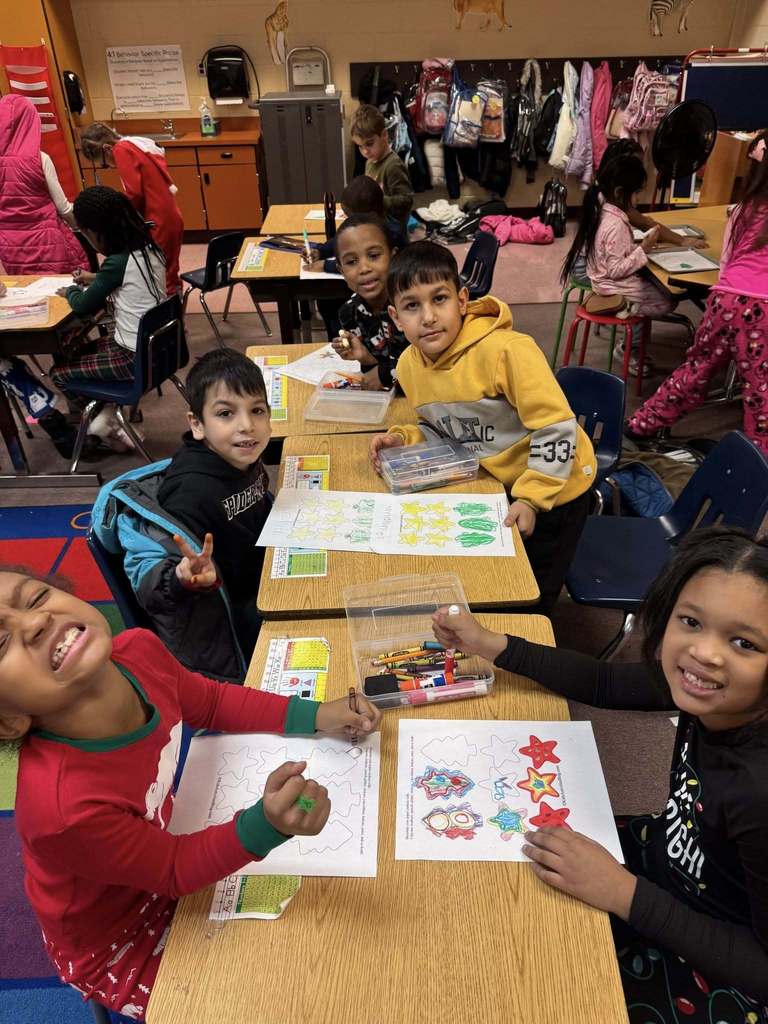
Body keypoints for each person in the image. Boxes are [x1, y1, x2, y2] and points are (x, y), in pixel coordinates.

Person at [1, 564, 381, 1020]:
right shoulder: (62, 810)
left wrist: (316, 714)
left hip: (165, 852)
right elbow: (175, 869)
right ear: (7, 720)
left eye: (36, 598)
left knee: (339, 949)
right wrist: (268, 825)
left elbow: (214, 702)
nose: (36, 621)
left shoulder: (139, 652)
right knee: (284, 992)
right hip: (121, 938)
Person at [431, 525, 768, 1023]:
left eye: (744, 642)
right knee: (504, 888)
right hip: (676, 868)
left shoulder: (757, 790)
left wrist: (622, 892)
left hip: (730, 972)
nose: (705, 652)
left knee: (550, 994)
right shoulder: (711, 692)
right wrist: (491, 643)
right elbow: (605, 681)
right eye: (691, 622)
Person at [370, 241, 597, 613]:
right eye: (412, 306)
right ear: (396, 318)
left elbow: (556, 427)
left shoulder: (508, 351)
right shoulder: (410, 366)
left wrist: (532, 498)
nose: (428, 317)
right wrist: (403, 437)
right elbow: (444, 428)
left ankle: (531, 642)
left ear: (461, 300)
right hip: (498, 483)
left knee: (532, 591)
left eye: (439, 299)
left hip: (558, 487)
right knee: (496, 576)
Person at [627, 131, 768, 456]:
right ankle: (758, 463)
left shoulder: (742, 209)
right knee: (760, 394)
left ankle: (641, 424)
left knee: (696, 367)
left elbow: (726, 261)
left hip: (726, 298)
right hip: (761, 307)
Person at [156, 348, 273, 661]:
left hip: (266, 571)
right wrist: (186, 577)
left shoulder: (240, 453)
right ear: (197, 424)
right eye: (226, 414)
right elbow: (164, 581)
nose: (247, 426)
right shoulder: (189, 493)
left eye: (257, 411)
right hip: (234, 613)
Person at [42, 186, 166, 456]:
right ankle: (106, 412)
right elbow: (124, 281)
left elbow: (83, 305)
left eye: (85, 233)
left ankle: (105, 422)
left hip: (132, 358)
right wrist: (94, 279)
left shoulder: (115, 263)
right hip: (159, 349)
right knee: (78, 350)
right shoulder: (149, 250)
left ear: (98, 232)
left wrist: (72, 290)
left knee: (59, 374)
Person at [561, 154, 677, 377]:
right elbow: (615, 270)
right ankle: (627, 313)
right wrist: (643, 249)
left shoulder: (605, 211)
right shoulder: (616, 224)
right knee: (667, 301)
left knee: (657, 290)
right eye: (635, 193)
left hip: (603, 278)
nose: (636, 200)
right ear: (619, 193)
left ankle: (631, 320)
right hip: (611, 284)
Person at [79, 122, 184, 294]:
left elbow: (134, 193)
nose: (111, 167)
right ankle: (174, 307)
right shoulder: (137, 145)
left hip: (156, 220)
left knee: (161, 274)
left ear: (106, 149)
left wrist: (117, 214)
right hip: (170, 216)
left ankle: (169, 313)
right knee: (169, 271)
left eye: (104, 164)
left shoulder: (121, 150)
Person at [0, 94, 87, 275]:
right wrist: (84, 227)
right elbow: (63, 209)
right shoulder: (40, 159)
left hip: (10, 248)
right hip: (49, 245)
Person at [330, 213, 408, 390]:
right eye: (351, 261)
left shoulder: (413, 305)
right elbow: (375, 371)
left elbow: (429, 365)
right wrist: (364, 357)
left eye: (373, 256)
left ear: (393, 257)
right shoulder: (349, 312)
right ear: (341, 271)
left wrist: (383, 374)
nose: (364, 268)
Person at [350, 104, 413, 231]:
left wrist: (378, 201)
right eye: (360, 146)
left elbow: (407, 200)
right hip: (376, 225)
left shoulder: (393, 165)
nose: (365, 151)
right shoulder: (370, 162)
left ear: (384, 135)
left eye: (369, 144)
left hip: (393, 231)